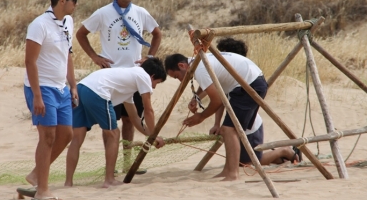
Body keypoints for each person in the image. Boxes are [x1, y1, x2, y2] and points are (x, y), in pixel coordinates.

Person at [76, 0, 162, 173]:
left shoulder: (140, 12)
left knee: (130, 120)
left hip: (134, 76)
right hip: (110, 77)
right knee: (110, 124)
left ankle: (127, 162)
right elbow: (81, 34)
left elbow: (157, 33)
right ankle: (111, 167)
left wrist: (150, 57)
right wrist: (94, 56)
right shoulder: (103, 13)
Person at [164, 51, 268, 181]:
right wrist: (197, 98)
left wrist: (201, 117)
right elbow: (218, 90)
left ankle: (233, 173)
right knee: (226, 129)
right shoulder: (198, 63)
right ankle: (228, 170)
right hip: (247, 82)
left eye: (177, 76)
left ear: (182, 66)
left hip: (249, 84)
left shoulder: (200, 69)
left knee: (230, 129)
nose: (180, 81)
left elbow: (217, 100)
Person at [64, 58, 166, 188]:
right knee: (114, 134)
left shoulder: (128, 83)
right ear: (152, 76)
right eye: (156, 82)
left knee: (77, 138)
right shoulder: (143, 76)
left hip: (81, 88)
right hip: (97, 91)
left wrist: (151, 135)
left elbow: (134, 118)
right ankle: (109, 180)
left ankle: (68, 183)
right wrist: (154, 135)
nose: (154, 87)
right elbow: (148, 110)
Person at [23, 0, 80, 200]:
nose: (76, 4)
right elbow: (30, 62)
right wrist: (37, 95)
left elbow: (68, 55)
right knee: (47, 136)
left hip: (61, 87)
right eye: (74, 0)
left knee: (66, 134)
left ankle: (37, 173)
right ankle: (42, 191)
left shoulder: (69, 21)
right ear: (62, 0)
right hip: (41, 87)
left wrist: (73, 85)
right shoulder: (40, 24)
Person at [215, 37, 300, 166]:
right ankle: (279, 158)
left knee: (249, 163)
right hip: (238, 121)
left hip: (249, 124)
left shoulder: (243, 74)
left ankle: (284, 151)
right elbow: (221, 100)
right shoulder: (228, 76)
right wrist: (217, 123)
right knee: (241, 162)